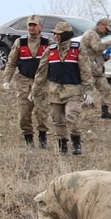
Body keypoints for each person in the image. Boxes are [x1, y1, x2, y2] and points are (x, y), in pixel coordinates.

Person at [33, 22, 86, 156]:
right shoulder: (50, 50)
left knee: (71, 115)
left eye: (58, 34)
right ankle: (62, 144)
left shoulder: (78, 49)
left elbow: (85, 71)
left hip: (73, 90)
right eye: (54, 34)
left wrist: (88, 90)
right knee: (57, 119)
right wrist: (35, 90)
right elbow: (41, 72)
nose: (55, 36)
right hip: (54, 91)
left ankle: (76, 143)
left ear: (66, 35)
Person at [1, 15, 51, 148]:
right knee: (24, 114)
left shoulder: (48, 43)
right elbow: (11, 62)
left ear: (40, 26)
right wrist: (7, 79)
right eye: (30, 25)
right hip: (23, 82)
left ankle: (42, 137)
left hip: (41, 83)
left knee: (42, 112)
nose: (32, 27)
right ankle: (28, 138)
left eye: (34, 25)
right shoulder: (20, 42)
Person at [79, 18, 111, 119]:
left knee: (105, 89)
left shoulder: (95, 35)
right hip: (89, 69)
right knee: (86, 93)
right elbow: (97, 47)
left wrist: (104, 58)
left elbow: (95, 52)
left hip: (96, 69)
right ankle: (75, 113)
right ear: (100, 25)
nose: (106, 32)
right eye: (105, 29)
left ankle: (105, 112)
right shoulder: (92, 34)